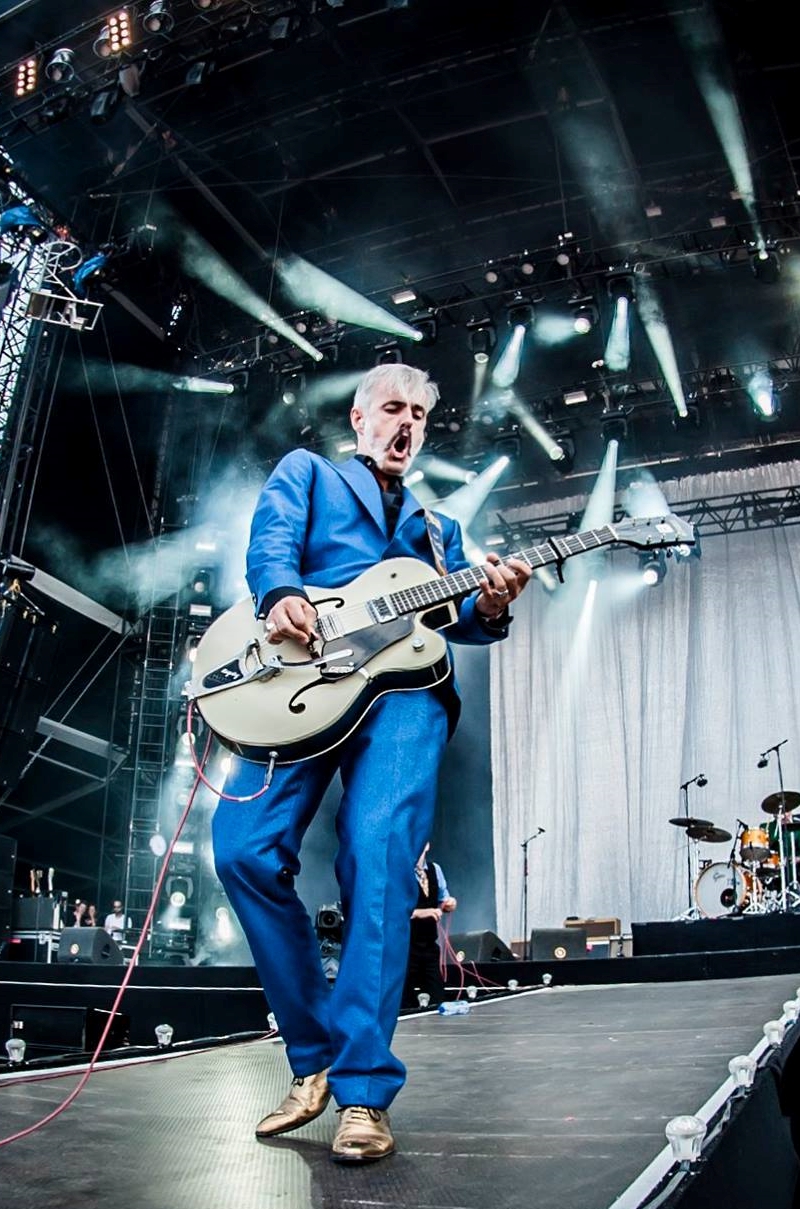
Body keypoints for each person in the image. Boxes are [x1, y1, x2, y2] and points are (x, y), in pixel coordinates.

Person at [211, 363, 531, 1164]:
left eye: (420, 413)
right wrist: (280, 591)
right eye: (394, 407)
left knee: (380, 857)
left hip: (405, 696)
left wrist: (492, 601)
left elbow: (460, 615)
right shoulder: (309, 474)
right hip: (303, 677)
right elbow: (272, 540)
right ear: (360, 418)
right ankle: (314, 1055)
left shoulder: (438, 529)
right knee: (242, 849)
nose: (408, 423)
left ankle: (363, 1090)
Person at [401, 842, 457, 1009]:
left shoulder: (435, 870)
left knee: (437, 994)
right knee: (405, 998)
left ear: (427, 846)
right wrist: (421, 912)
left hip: (429, 944)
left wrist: (449, 904)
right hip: (407, 946)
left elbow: (444, 898)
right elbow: (395, 910)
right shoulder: (402, 872)